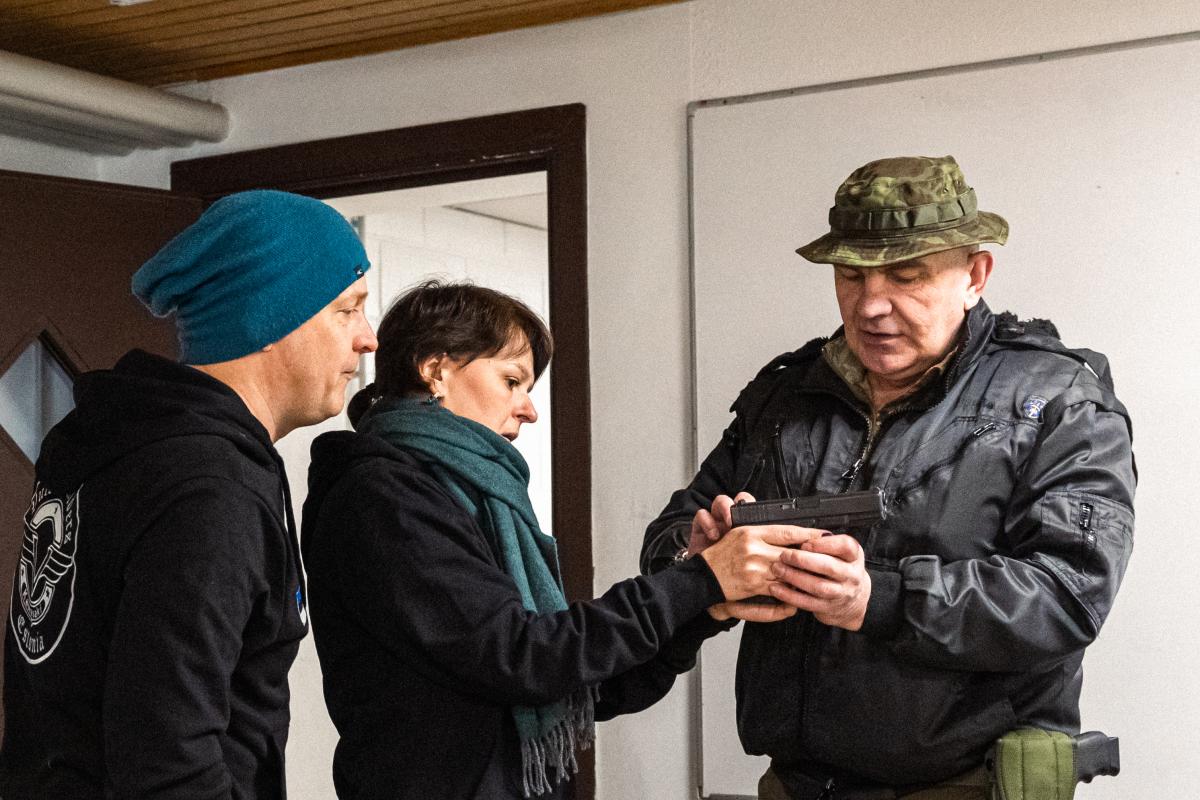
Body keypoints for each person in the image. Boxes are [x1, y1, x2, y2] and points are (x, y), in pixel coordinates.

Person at [641, 156, 1136, 800]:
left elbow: (1068, 597)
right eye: (851, 276)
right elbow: (671, 536)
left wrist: (878, 599)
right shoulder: (786, 395)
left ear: (975, 275)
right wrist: (700, 562)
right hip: (797, 784)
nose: (871, 306)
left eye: (906, 276)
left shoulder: (1060, 402)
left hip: (968, 787)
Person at [301, 280, 808, 800]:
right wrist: (698, 580)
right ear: (436, 370)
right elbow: (522, 657)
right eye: (512, 381)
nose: (530, 410)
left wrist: (704, 606)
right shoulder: (384, 495)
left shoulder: (477, 496)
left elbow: (583, 684)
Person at [1, 190, 378, 799]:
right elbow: (168, 761)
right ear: (269, 318)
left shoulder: (130, 441)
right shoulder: (208, 489)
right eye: (347, 309)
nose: (368, 339)